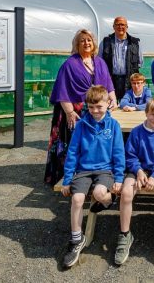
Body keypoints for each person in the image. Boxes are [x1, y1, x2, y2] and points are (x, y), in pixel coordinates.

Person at [59, 85, 125, 267]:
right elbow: (72, 152)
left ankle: (108, 200)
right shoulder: (81, 125)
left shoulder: (113, 125)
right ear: (87, 105)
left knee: (98, 194)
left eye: (99, 107)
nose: (95, 111)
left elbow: (119, 153)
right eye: (91, 107)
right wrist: (67, 180)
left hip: (105, 170)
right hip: (83, 170)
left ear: (108, 104)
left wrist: (119, 178)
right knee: (78, 199)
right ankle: (76, 239)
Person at [44, 29, 117, 186]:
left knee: (96, 144)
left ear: (94, 43)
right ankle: (71, 177)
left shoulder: (99, 62)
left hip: (97, 111)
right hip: (75, 113)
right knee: (75, 145)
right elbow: (62, 91)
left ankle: (97, 174)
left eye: (89, 40)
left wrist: (113, 99)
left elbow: (108, 84)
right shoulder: (69, 64)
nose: (86, 43)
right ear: (77, 44)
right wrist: (70, 112)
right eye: (82, 40)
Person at [116, 97, 154, 267]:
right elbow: (130, 156)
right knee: (126, 193)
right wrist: (139, 171)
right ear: (146, 112)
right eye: (152, 114)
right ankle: (125, 234)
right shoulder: (136, 132)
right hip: (138, 170)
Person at [99, 16, 143, 101]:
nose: (120, 27)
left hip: (129, 81)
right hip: (110, 80)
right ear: (113, 27)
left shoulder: (135, 43)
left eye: (123, 24)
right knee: (111, 105)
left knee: (127, 106)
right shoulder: (106, 42)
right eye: (117, 24)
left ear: (127, 27)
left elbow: (140, 62)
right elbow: (99, 62)